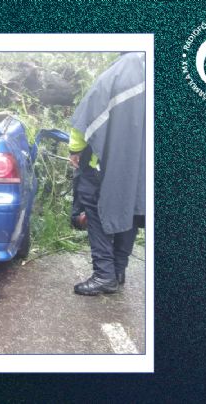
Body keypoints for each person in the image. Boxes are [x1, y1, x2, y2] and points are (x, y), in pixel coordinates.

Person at [68, 53, 146, 296]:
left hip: (106, 165)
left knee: (94, 205)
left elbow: (88, 115)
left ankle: (104, 275)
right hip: (142, 168)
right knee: (131, 208)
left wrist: (75, 149)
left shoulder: (116, 75)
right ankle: (118, 270)